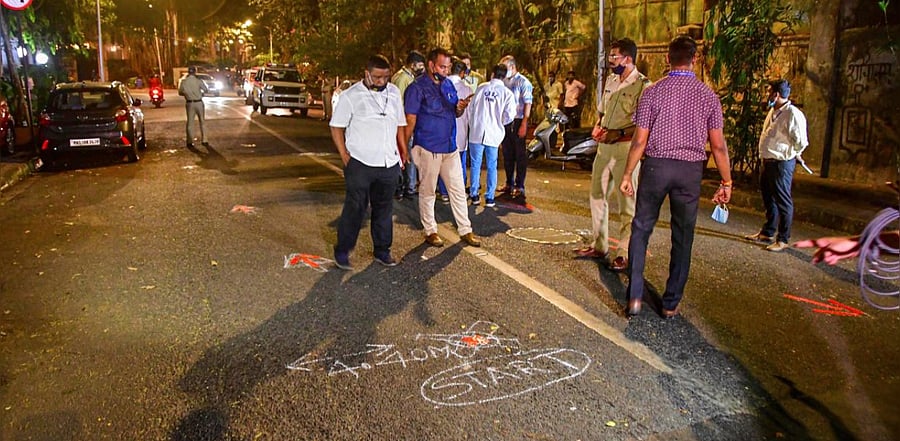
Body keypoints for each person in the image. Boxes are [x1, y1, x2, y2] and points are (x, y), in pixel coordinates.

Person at [618, 35, 733, 318]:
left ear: (667, 59)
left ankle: (634, 297)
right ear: (694, 60)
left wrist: (628, 173)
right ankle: (670, 303)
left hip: (656, 167)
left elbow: (639, 142)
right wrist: (726, 181)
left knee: (641, 228)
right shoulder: (708, 96)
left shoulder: (652, 93)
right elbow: (717, 145)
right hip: (689, 172)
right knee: (683, 235)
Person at [575, 38, 651, 272]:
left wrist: (617, 132)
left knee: (627, 203)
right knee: (597, 195)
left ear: (628, 58)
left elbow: (645, 125)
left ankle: (624, 253)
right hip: (604, 148)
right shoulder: (610, 80)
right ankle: (600, 245)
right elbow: (603, 111)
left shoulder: (643, 86)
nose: (610, 60)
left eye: (614, 56)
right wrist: (598, 126)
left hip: (626, 150)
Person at [329, 54, 408, 269]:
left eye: (386, 77)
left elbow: (400, 124)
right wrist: (344, 155)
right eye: (377, 77)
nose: (382, 81)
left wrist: (403, 151)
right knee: (356, 208)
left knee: (384, 208)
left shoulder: (394, 93)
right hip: (360, 163)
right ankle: (343, 250)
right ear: (367, 74)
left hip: (388, 163)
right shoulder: (351, 96)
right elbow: (336, 126)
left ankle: (383, 250)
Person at [404, 48, 481, 248]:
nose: (446, 70)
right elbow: (410, 120)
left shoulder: (448, 84)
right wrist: (403, 147)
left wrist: (460, 107)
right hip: (428, 148)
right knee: (428, 191)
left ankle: (466, 230)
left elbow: (454, 112)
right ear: (431, 65)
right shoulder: (416, 88)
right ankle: (430, 230)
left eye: (447, 67)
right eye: (442, 66)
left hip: (450, 147)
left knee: (457, 189)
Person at [743, 79, 809, 252]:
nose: (767, 95)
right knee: (768, 198)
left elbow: (801, 141)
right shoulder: (774, 110)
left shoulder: (792, 114)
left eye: (769, 92)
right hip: (768, 161)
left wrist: (792, 154)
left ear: (776, 94)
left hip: (781, 163)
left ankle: (783, 238)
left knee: (782, 200)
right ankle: (768, 231)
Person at [468, 64, 517, 207]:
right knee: (491, 165)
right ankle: (490, 197)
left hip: (477, 132)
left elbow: (471, 108)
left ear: (492, 74)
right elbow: (510, 116)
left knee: (476, 165)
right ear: (505, 76)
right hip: (493, 133)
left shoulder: (481, 88)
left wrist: (473, 124)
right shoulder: (507, 93)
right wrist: (500, 122)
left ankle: (474, 194)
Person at [436, 58, 474, 203]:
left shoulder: (441, 86)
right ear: (463, 73)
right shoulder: (467, 89)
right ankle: (458, 192)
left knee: (442, 162)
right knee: (460, 164)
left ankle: (444, 191)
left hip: (443, 131)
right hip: (461, 132)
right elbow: (469, 114)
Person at [498, 55, 534, 200]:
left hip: (518, 121)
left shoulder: (523, 82)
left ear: (512, 67)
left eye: (505, 67)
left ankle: (520, 185)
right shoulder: (504, 82)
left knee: (519, 155)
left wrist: (524, 123)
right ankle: (509, 182)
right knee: (507, 154)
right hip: (506, 122)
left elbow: (527, 103)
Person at [392, 50, 427, 200]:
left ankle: (405, 185)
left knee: (403, 154)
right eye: (420, 65)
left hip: (401, 122)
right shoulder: (404, 79)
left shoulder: (401, 76)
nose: (422, 68)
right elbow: (400, 104)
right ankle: (408, 187)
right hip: (404, 123)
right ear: (413, 64)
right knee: (407, 155)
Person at [178, 66, 209, 147]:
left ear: (188, 72)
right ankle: (205, 140)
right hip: (199, 102)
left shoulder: (184, 81)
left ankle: (190, 141)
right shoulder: (198, 81)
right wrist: (200, 93)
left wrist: (187, 93)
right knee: (202, 121)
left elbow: (180, 92)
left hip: (189, 103)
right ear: (195, 72)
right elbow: (206, 89)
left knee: (190, 122)